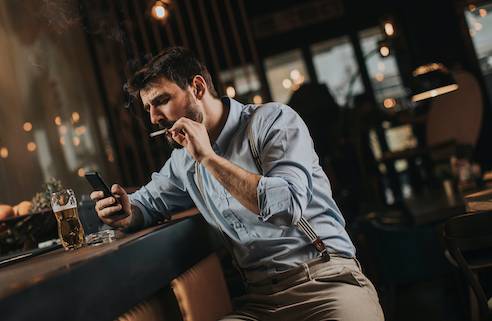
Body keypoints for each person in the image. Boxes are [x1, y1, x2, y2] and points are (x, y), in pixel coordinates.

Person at [91, 46, 384, 320]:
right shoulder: (183, 161)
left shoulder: (273, 121)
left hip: (326, 283)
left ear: (197, 87)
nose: (154, 117)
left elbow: (288, 206)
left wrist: (208, 157)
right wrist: (126, 212)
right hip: (259, 303)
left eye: (161, 101)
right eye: (148, 108)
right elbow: (147, 204)